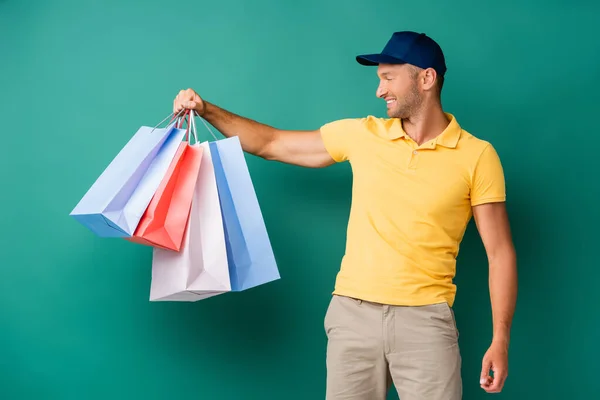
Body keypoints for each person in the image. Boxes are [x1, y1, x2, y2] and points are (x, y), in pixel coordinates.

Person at [173, 31, 517, 400]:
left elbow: (500, 253)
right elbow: (271, 143)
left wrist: (500, 340)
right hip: (352, 316)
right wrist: (206, 109)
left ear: (426, 79)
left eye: (388, 78)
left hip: (426, 321)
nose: (379, 90)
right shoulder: (362, 135)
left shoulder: (477, 156)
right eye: (379, 79)